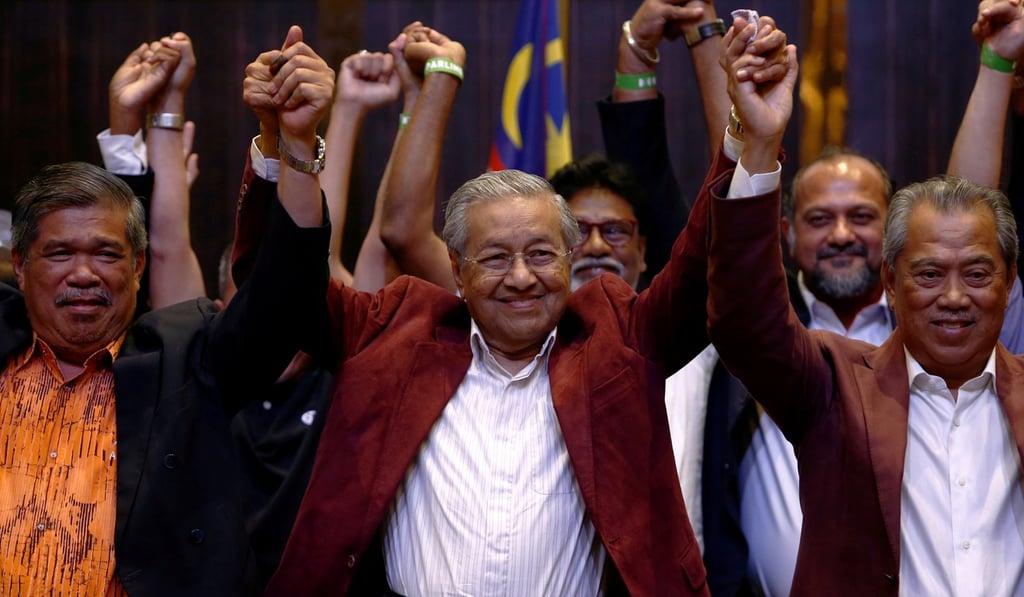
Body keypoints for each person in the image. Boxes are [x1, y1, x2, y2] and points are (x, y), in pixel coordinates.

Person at [0, 25, 332, 595]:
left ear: (137, 268)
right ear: (20, 267)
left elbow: (285, 295)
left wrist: (294, 147)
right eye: (58, 254)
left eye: (107, 254)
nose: (84, 273)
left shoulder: (183, 361)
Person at [708, 9, 1024, 595]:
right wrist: (758, 145)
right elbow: (746, 321)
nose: (954, 297)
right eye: (928, 274)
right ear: (892, 281)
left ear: (1009, 281)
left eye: (977, 273)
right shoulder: (834, 386)